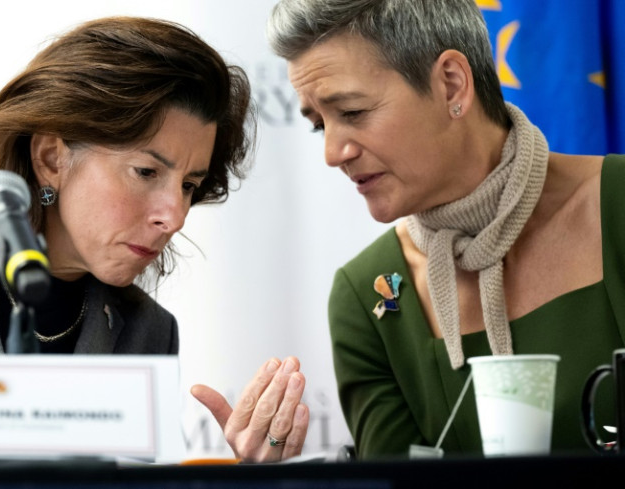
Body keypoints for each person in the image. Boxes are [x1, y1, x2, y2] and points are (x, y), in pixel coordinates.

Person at [0, 16, 307, 463]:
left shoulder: (151, 333)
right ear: (51, 158)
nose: (175, 216)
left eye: (188, 185)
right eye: (146, 172)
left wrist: (257, 478)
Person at [267, 0, 623, 458]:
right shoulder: (366, 293)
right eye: (319, 125)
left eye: (352, 112)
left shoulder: (618, 204)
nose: (333, 152)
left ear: (452, 84)